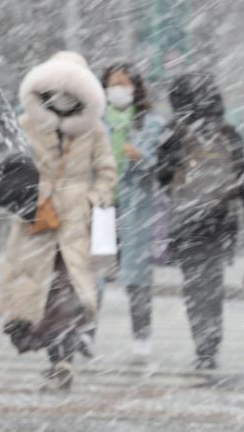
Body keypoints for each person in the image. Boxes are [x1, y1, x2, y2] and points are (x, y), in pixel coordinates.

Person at [0, 52, 117, 390]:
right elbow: (8, 168)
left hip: (74, 224)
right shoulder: (25, 124)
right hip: (35, 221)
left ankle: (62, 360)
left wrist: (93, 199)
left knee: (66, 294)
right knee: (32, 292)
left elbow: (107, 171)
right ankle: (48, 347)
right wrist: (27, 196)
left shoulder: (93, 129)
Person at [156, 71, 244, 371]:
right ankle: (211, 343)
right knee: (213, 283)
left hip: (186, 219)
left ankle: (201, 344)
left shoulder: (172, 132)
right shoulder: (227, 132)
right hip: (219, 220)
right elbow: (243, 178)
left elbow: (162, 177)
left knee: (193, 285)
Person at [100, 63, 164, 360]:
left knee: (137, 276)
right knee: (95, 273)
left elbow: (161, 166)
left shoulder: (150, 123)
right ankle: (86, 333)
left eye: (124, 83)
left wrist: (142, 157)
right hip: (101, 207)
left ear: (136, 87)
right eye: (113, 83)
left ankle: (142, 335)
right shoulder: (95, 122)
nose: (119, 89)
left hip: (135, 209)